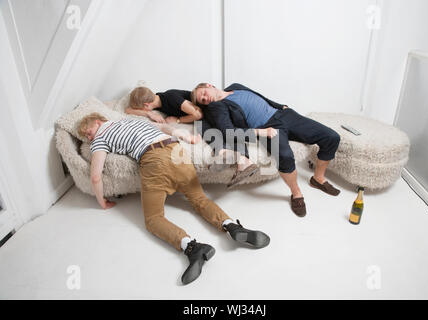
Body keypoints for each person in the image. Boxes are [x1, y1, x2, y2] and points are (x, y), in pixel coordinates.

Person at [77, 112, 270, 285]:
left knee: (153, 219)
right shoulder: (130, 121)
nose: (88, 136)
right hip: (177, 152)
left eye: (88, 131)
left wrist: (102, 201)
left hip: (153, 160)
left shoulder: (100, 139)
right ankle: (232, 226)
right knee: (199, 199)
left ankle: (193, 247)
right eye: (85, 136)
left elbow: (95, 176)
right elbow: (163, 128)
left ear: (97, 121)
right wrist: (184, 135)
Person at [191, 83, 341, 217]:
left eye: (203, 93)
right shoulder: (216, 107)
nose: (205, 99)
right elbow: (229, 132)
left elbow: (259, 96)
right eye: (202, 100)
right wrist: (261, 132)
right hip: (266, 127)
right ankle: (296, 194)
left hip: (285, 115)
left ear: (209, 85)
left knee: (331, 137)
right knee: (285, 156)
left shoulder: (236, 86)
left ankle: (318, 178)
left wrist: (280, 105)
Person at [127, 86, 259, 186]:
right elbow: (129, 110)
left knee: (221, 129)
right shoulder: (157, 98)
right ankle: (228, 154)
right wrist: (150, 114)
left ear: (146, 105)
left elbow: (198, 114)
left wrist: (178, 120)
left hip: (213, 109)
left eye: (143, 109)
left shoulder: (171, 97)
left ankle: (244, 161)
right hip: (206, 115)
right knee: (206, 129)